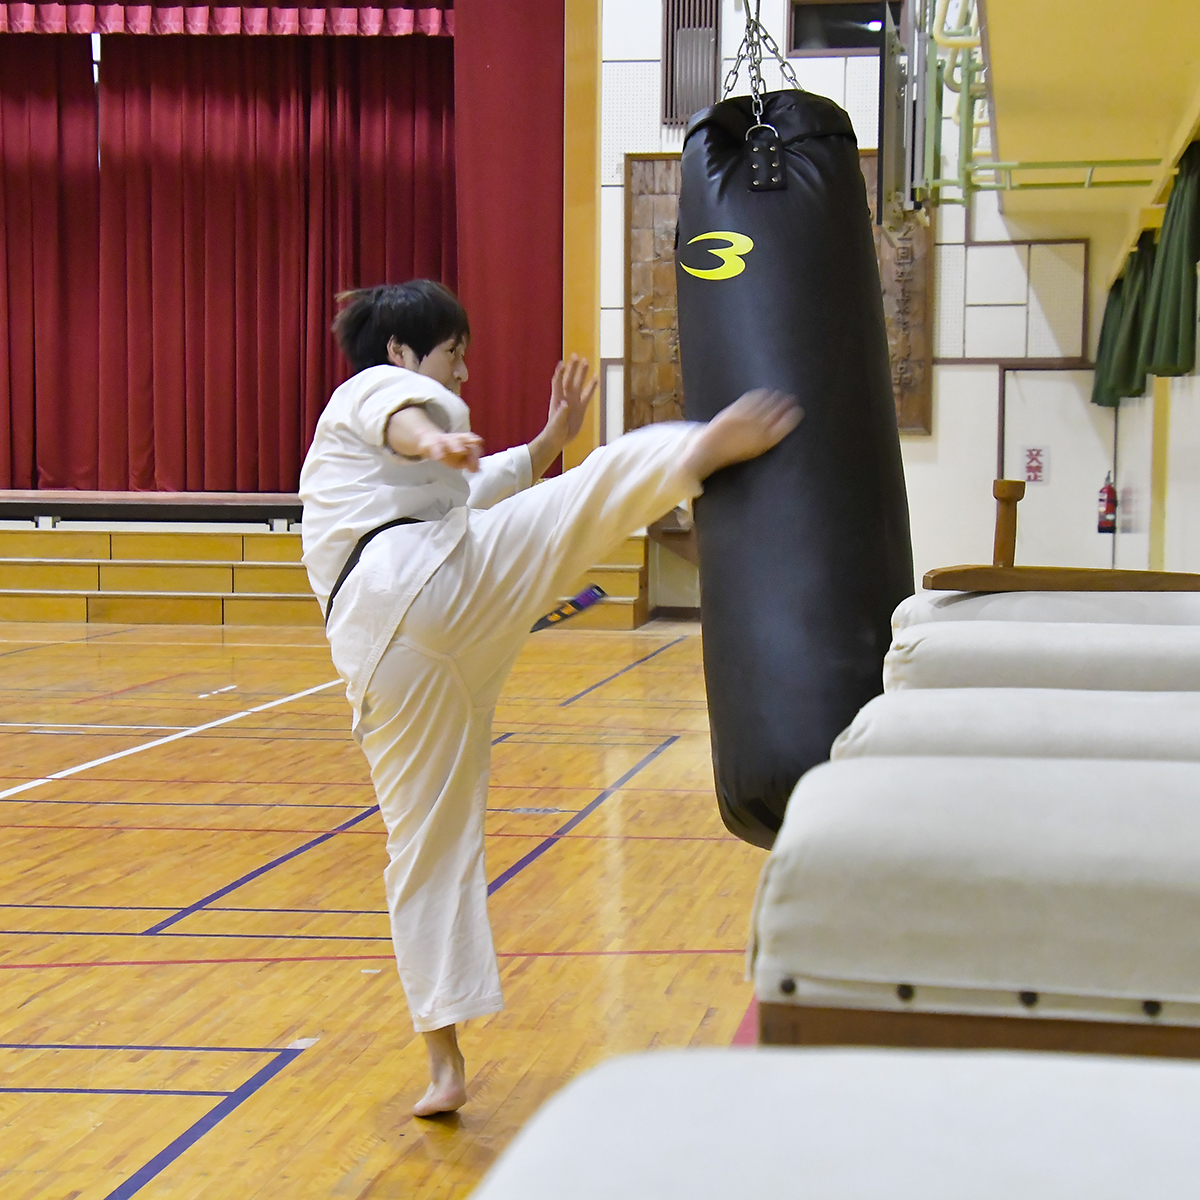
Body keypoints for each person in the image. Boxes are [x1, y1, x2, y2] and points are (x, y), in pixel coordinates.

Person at [299, 279, 801, 1117]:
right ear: (402, 352)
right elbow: (410, 421)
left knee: (424, 846)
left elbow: (477, 481)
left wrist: (546, 437)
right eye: (454, 355)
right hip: (422, 584)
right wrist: (437, 444)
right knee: (588, 496)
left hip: (386, 653)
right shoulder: (371, 391)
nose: (461, 375)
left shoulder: (358, 473)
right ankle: (700, 450)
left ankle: (444, 1063)